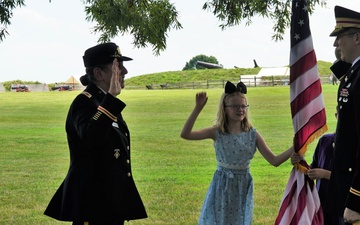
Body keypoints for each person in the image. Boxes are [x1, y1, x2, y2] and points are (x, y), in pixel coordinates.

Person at [44, 42, 147, 225]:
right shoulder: (83, 103)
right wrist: (111, 99)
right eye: (117, 67)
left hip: (111, 202)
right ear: (98, 73)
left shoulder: (103, 101)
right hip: (92, 205)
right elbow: (92, 137)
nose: (124, 72)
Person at [180, 81, 294, 225]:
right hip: (222, 185)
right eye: (234, 106)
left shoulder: (253, 134)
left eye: (243, 106)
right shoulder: (217, 132)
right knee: (218, 220)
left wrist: (294, 148)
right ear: (225, 109)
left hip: (242, 186)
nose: (240, 109)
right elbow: (186, 134)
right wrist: (198, 108)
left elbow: (274, 160)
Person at [326, 5, 360, 225]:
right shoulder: (354, 74)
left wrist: (357, 199)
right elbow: (347, 79)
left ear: (357, 37)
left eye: (341, 37)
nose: (337, 43)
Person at [291, 106, 338, 225]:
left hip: (341, 205)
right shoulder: (324, 141)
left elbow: (353, 179)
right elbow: (313, 167)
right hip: (321, 201)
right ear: (336, 115)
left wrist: (326, 174)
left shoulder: (355, 146)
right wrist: (300, 163)